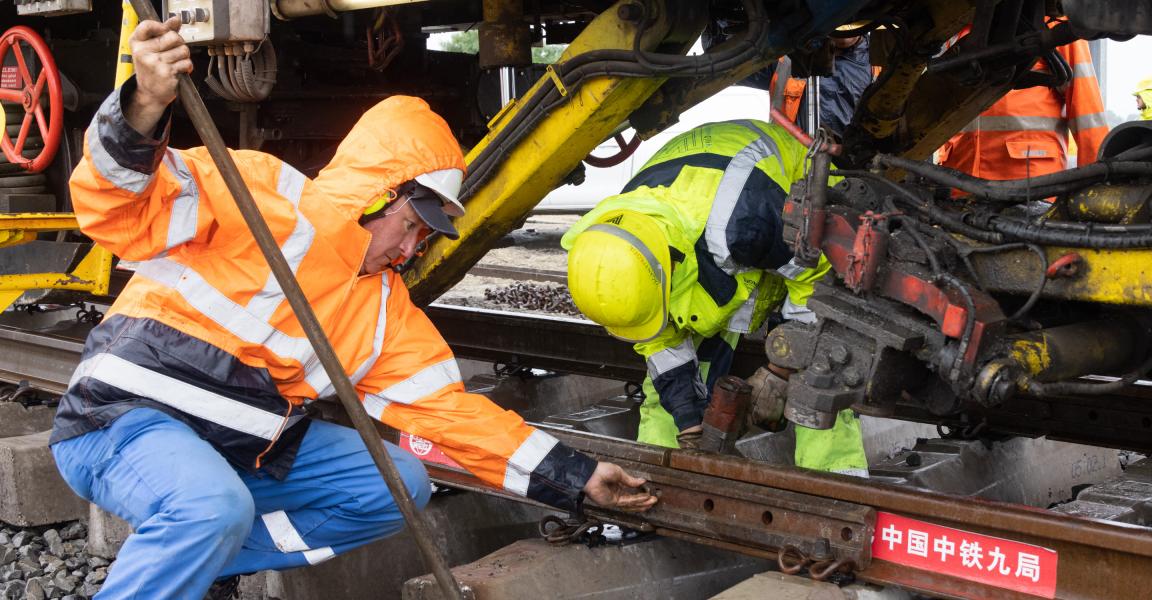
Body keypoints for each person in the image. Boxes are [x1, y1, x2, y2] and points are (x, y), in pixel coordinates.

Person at [50, 17, 654, 600]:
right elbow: (118, 209)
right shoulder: (261, 196)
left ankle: (204, 553)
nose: (414, 248)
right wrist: (143, 107)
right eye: (414, 225)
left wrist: (577, 479)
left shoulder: (384, 311)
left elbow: (452, 416)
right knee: (213, 506)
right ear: (380, 196)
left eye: (427, 236)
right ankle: (191, 539)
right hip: (123, 422)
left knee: (397, 485)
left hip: (234, 448)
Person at [561, 120, 869, 477]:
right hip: (716, 233)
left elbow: (822, 284)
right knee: (669, 392)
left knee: (818, 375)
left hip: (799, 218)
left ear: (671, 271)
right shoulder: (622, 245)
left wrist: (782, 368)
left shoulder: (743, 222)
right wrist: (690, 422)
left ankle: (838, 488)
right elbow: (659, 342)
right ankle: (655, 482)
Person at [939, 30, 1108, 178]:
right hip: (959, 179)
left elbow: (1087, 114)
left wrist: (1096, 188)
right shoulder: (951, 33)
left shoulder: (1054, 28)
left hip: (1030, 181)